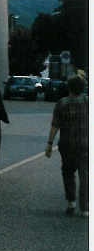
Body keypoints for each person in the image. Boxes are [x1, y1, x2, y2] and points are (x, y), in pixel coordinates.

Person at [45, 74, 88, 216]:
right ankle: (85, 208)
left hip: (67, 145)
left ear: (69, 87)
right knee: (86, 176)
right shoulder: (88, 102)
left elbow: (55, 126)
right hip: (86, 144)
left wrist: (49, 144)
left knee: (68, 173)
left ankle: (71, 203)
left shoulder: (61, 103)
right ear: (83, 88)